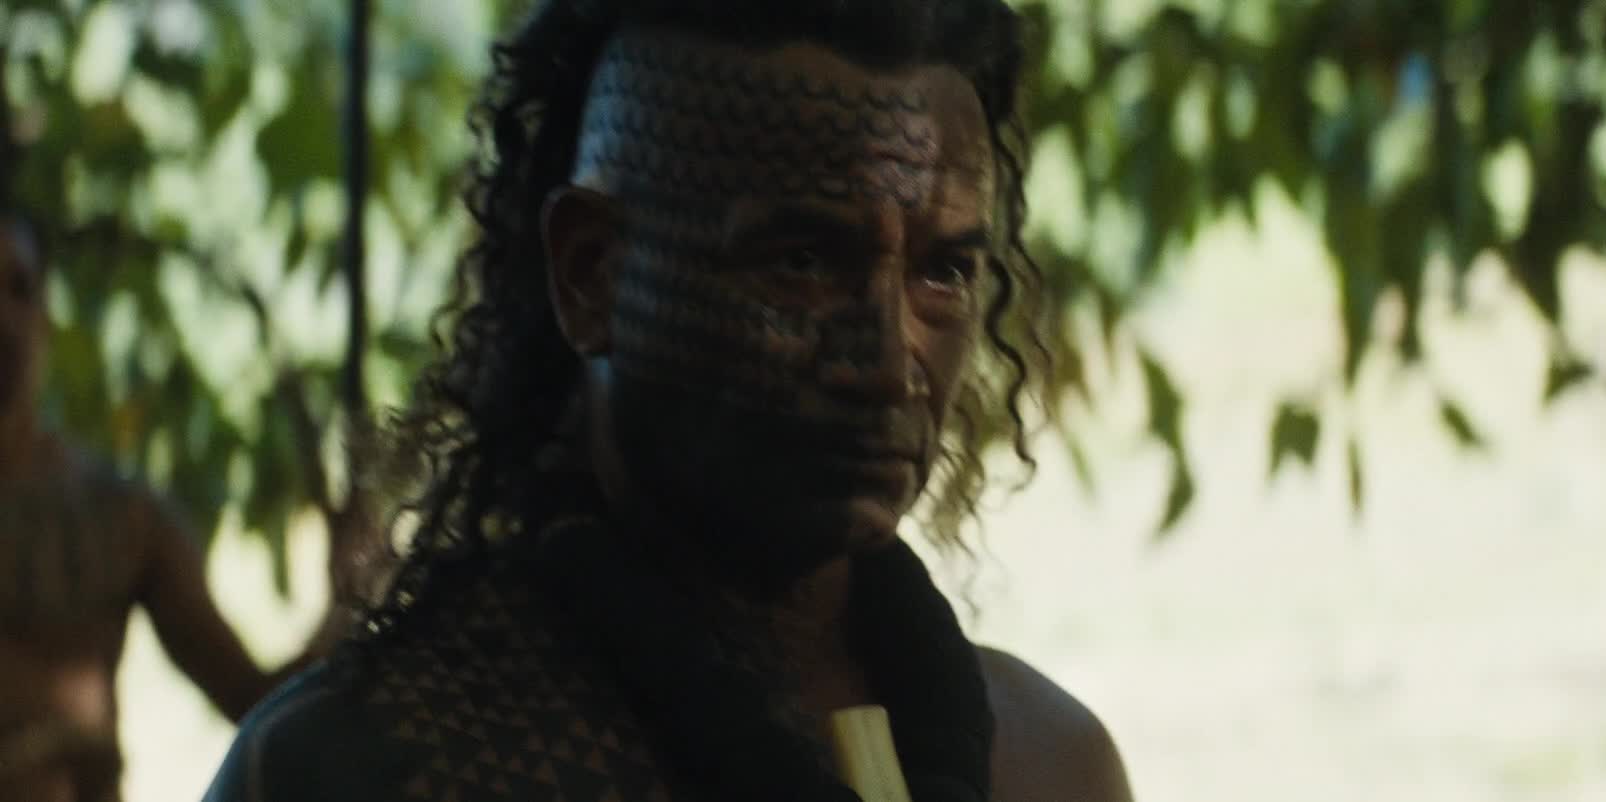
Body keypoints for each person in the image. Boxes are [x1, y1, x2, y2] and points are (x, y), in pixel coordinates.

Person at [204, 1, 1135, 800]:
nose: (891, 366)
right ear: (591, 273)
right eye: (802, 263)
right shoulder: (368, 766)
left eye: (943, 272)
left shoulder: (1049, 762)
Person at [0, 211, 350, 802]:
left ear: (45, 320)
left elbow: (252, 699)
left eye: (18, 289)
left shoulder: (122, 518)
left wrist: (346, 604)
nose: (2, 318)